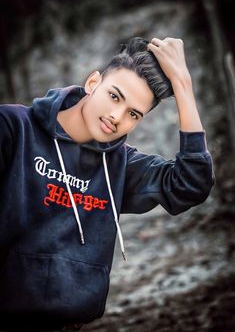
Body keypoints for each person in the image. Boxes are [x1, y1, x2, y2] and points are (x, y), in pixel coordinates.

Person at [0, 36, 214, 331]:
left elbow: (191, 185)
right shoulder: (13, 128)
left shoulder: (122, 166)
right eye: (115, 96)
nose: (116, 116)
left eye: (133, 114)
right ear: (92, 83)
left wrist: (183, 85)